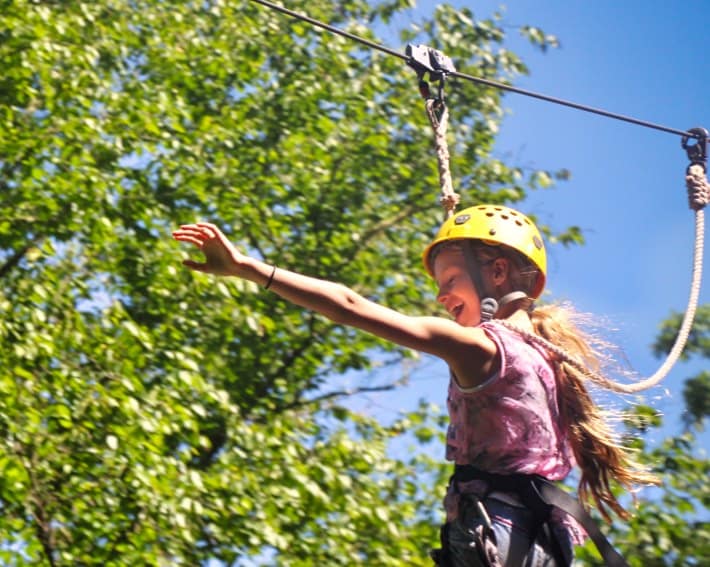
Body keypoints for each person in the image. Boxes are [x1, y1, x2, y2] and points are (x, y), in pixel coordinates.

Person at [172, 204, 657, 567]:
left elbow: (350, 305)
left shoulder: (483, 348)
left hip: (497, 537)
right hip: (544, 547)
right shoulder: (554, 362)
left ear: (497, 272)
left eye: (449, 279)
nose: (442, 297)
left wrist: (247, 268)